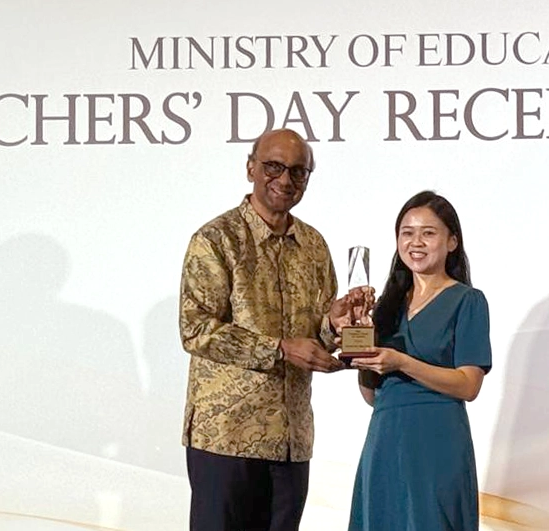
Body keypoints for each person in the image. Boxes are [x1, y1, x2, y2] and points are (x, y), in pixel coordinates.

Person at [178, 128, 372, 531]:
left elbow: (316, 337)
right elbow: (196, 329)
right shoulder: (216, 240)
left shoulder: (314, 245)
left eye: (298, 172)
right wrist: (281, 349)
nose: (285, 180)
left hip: (290, 441)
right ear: (251, 168)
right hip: (226, 436)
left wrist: (334, 323)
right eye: (274, 167)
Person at [347, 190, 492, 531]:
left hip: (437, 440)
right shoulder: (385, 305)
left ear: (451, 241)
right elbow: (372, 396)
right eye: (407, 233)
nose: (416, 242)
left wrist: (402, 362)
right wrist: (362, 350)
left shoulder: (467, 301)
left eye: (428, 232)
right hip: (385, 439)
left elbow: (469, 385)